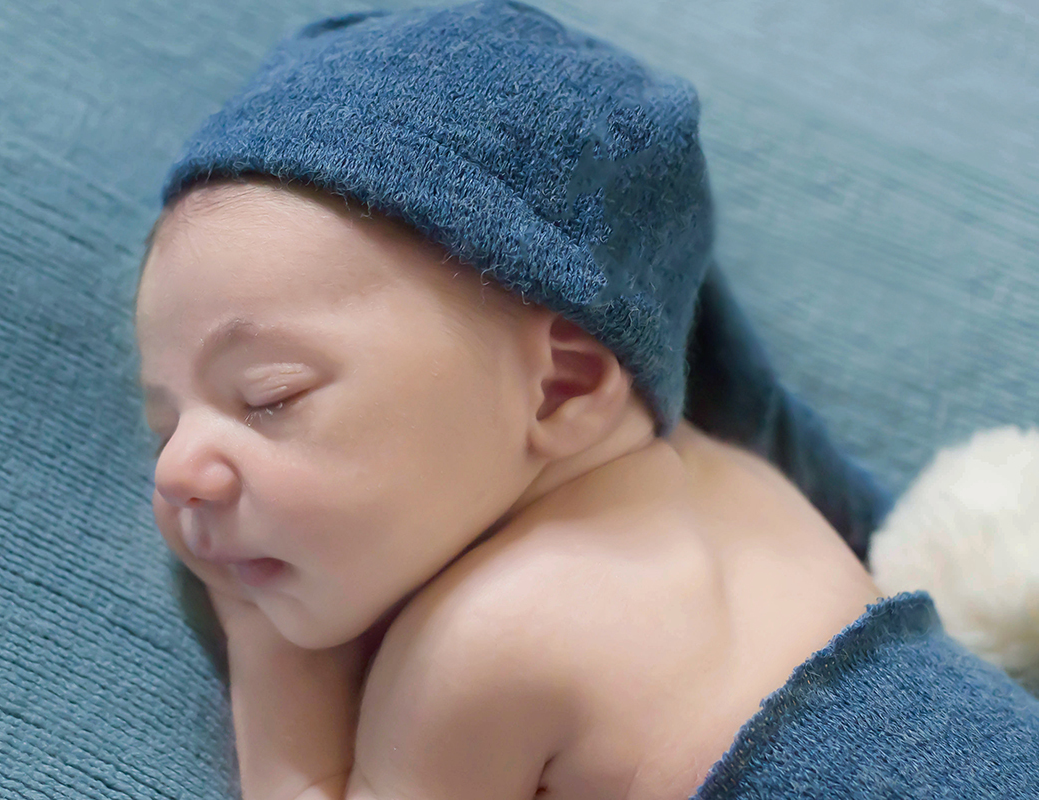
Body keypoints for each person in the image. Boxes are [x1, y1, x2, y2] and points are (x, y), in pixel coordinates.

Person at [133, 2, 1039, 798]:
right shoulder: (746, 486)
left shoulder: (482, 646)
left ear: (562, 386)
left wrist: (267, 653)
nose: (176, 471)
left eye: (269, 398)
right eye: (165, 421)